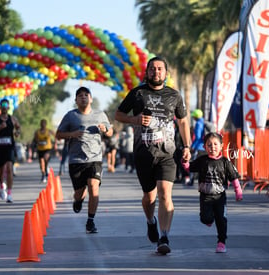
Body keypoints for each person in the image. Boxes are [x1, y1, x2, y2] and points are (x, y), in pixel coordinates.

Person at [115, 56, 191, 255]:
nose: (156, 72)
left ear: (165, 73)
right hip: (143, 154)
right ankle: (151, 221)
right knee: (149, 197)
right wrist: (135, 119)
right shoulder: (137, 93)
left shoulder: (174, 96)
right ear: (147, 72)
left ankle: (164, 236)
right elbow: (118, 115)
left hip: (167, 153)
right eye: (152, 69)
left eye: (159, 69)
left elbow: (182, 122)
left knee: (165, 193)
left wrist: (187, 146)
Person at [55, 86, 113, 234]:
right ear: (76, 100)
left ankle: (90, 221)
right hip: (76, 160)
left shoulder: (100, 115)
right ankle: (78, 200)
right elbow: (58, 134)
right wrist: (73, 134)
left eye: (86, 95)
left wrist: (104, 130)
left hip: (95, 158)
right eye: (80, 95)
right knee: (79, 192)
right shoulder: (70, 116)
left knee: (94, 186)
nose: (83, 97)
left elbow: (110, 131)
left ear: (91, 99)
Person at [182, 132, 242, 253]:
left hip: (220, 197)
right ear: (204, 147)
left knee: (221, 220)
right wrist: (185, 161)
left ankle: (221, 242)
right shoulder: (202, 160)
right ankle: (209, 219)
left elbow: (234, 178)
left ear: (221, 146)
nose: (212, 147)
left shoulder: (225, 162)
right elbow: (189, 167)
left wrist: (238, 192)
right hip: (205, 196)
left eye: (215, 144)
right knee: (205, 218)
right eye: (209, 145)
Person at [0, 99, 21, 203]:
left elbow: (18, 127)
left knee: (10, 168)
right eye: (2, 105)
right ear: (0, 107)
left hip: (9, 147)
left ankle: (9, 194)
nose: (4, 107)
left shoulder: (12, 119)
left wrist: (17, 133)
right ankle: (2, 187)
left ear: (8, 107)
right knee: (1, 170)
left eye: (6, 106)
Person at [34, 119, 57, 183]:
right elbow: (35, 139)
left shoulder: (49, 131)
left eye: (44, 123)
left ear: (46, 124)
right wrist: (38, 142)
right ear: (40, 124)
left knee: (45, 159)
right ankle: (43, 174)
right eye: (42, 123)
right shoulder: (37, 132)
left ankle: (46, 169)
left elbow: (56, 136)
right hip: (40, 149)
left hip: (47, 148)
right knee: (41, 163)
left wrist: (55, 143)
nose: (43, 125)